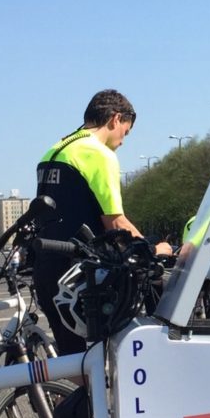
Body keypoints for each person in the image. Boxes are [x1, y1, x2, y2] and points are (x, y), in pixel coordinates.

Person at [34, 89, 171, 355]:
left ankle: (69, 398)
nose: (122, 141)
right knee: (94, 362)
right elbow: (115, 223)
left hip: (46, 267)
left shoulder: (55, 149)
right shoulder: (97, 153)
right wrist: (154, 251)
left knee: (71, 358)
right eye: (125, 132)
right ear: (115, 119)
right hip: (78, 276)